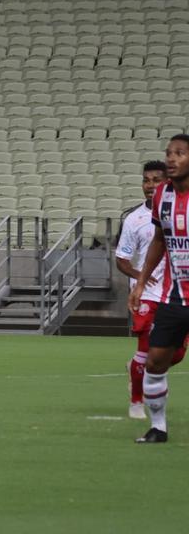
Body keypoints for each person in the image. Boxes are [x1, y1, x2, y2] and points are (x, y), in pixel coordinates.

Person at [129, 134, 189, 443]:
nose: (172, 158)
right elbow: (159, 240)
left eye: (180, 153)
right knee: (155, 361)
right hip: (174, 296)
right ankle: (158, 427)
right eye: (169, 153)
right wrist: (140, 282)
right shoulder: (162, 195)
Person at [116, 160, 184, 420]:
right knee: (146, 350)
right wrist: (140, 278)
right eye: (146, 180)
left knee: (175, 353)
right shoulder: (134, 219)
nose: (150, 185)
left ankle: (136, 366)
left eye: (156, 180)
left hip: (177, 291)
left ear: (167, 181)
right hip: (148, 294)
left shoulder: (180, 209)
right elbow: (122, 259)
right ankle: (136, 402)